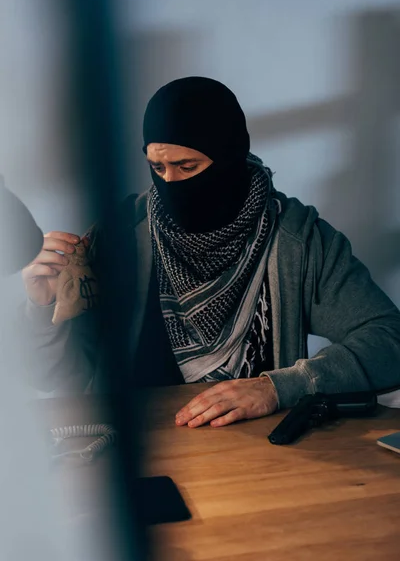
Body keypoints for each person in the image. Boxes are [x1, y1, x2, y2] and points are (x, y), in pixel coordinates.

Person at [21, 77, 400, 429]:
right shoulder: (120, 234)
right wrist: (41, 307)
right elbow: (56, 377)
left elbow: (389, 340)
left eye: (187, 166)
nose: (170, 183)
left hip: (255, 460)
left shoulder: (296, 241)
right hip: (135, 452)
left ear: (230, 157)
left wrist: (280, 387)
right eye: (157, 167)